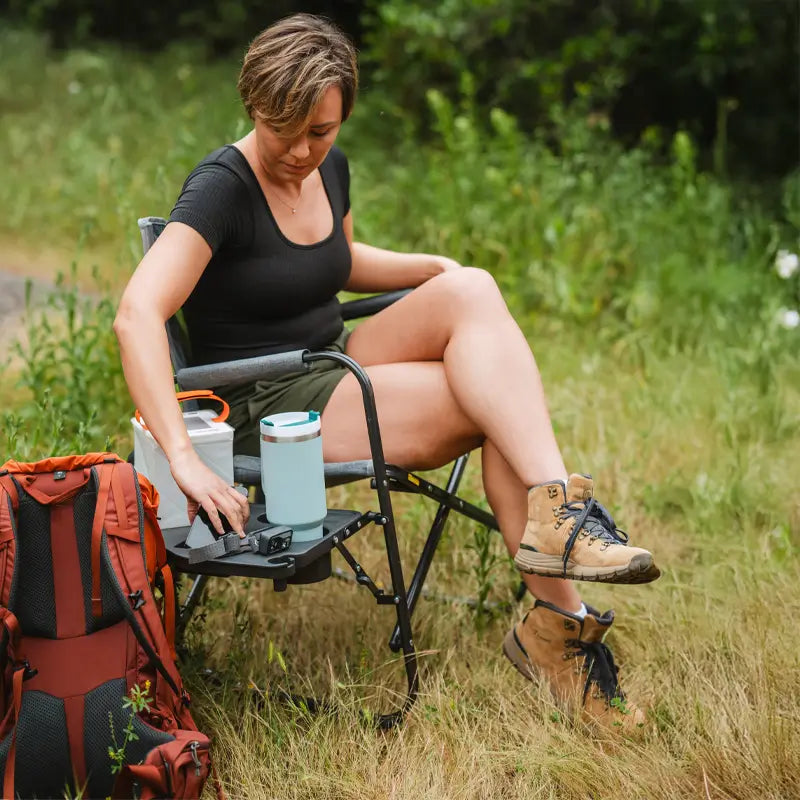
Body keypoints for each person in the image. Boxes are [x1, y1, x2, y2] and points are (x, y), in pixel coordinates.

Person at [114, 13, 661, 732]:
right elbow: (136, 314)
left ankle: (559, 537)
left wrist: (437, 270)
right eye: (288, 133)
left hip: (335, 361)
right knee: (492, 408)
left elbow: (337, 262)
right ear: (255, 105)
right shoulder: (222, 189)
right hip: (272, 406)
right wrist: (182, 456)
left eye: (323, 132)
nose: (304, 153)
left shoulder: (329, 167)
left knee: (473, 289)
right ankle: (562, 623)